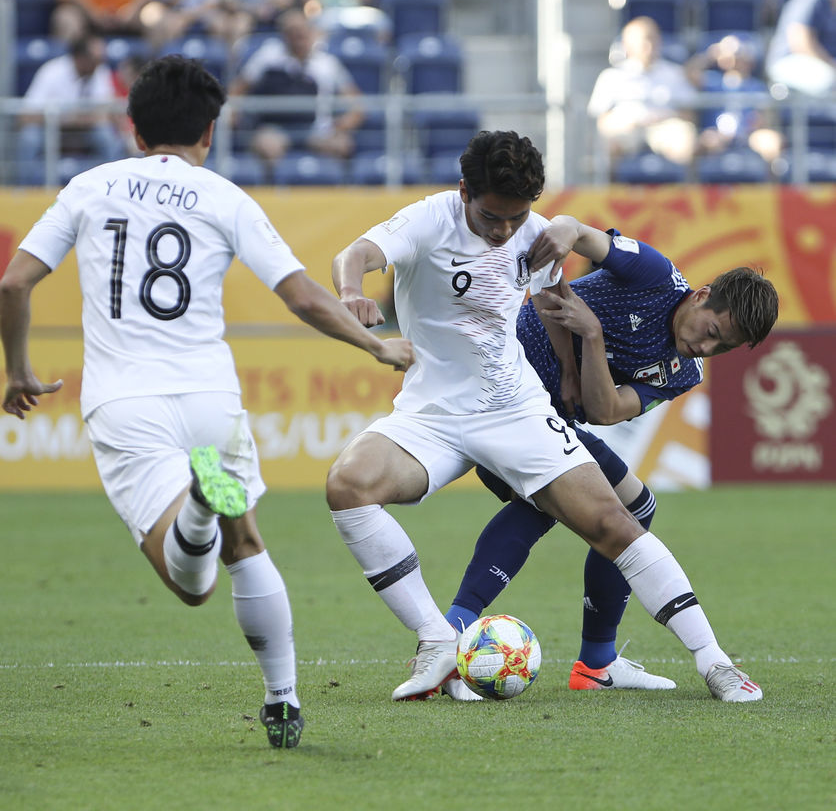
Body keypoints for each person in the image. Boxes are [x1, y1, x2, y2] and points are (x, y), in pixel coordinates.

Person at [0, 55, 416, 748]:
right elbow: (304, 295)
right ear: (210, 132)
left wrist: (17, 369)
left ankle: (197, 505)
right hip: (209, 397)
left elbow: (14, 285)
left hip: (124, 400)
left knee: (192, 584)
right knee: (245, 539)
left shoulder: (87, 187)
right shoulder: (225, 197)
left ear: (132, 129)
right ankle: (282, 697)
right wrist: (376, 348)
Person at [324, 129, 764, 705]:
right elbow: (351, 255)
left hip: (515, 408)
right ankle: (437, 639)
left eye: (517, 217)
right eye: (491, 217)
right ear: (463, 192)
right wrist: (352, 290)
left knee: (618, 521)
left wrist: (569, 368)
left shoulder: (531, 236)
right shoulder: (428, 219)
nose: (505, 231)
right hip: (429, 411)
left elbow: (552, 296)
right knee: (347, 485)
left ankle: (715, 663)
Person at [441, 222, 779, 700]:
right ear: (702, 296)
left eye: (722, 347)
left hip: (549, 419)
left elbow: (605, 412)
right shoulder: (652, 275)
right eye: (712, 332)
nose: (706, 349)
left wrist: (593, 337)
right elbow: (572, 229)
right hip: (500, 387)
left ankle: (594, 661)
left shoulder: (683, 370)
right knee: (553, 502)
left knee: (636, 507)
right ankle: (451, 637)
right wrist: (557, 242)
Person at [229, 8, 364, 168]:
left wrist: (340, 125)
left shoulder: (328, 63)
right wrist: (234, 113)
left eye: (302, 31)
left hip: (317, 129)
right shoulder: (267, 57)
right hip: (276, 128)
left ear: (311, 32)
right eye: (292, 32)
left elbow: (356, 104)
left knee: (342, 145)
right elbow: (237, 89)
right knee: (267, 147)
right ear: (284, 35)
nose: (298, 37)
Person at [16, 31, 129, 183]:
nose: (99, 63)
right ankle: (21, 188)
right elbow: (26, 115)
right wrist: (67, 118)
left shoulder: (100, 71)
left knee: (107, 136)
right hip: (51, 129)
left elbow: (105, 113)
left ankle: (113, 184)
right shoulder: (52, 71)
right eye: (94, 59)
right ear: (80, 58)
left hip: (84, 130)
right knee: (29, 137)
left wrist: (74, 117)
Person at [587, 16, 698, 170]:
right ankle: (609, 190)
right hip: (627, 128)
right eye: (644, 40)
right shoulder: (612, 76)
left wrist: (661, 119)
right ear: (627, 44)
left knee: (686, 140)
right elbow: (600, 119)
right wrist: (626, 122)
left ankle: (682, 190)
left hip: (664, 126)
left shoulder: (674, 73)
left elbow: (689, 113)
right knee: (607, 143)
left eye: (653, 39)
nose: (649, 45)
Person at [686, 34, 784, 169]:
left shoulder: (757, 87)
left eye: (739, 53)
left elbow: (766, 117)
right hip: (717, 134)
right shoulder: (713, 82)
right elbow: (688, 73)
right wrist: (711, 54)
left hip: (748, 134)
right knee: (700, 142)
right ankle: (692, 184)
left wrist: (760, 121)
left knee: (772, 141)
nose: (736, 58)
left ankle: (773, 187)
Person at [765, 0, 836, 98]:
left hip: (816, 64)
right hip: (789, 62)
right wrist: (831, 65)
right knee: (830, 81)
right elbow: (799, 42)